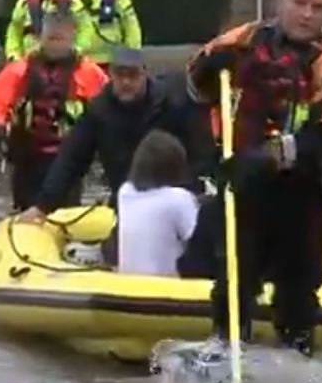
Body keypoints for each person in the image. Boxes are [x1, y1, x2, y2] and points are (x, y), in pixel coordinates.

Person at [185, 0, 322, 356]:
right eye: (300, 3)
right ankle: (226, 355)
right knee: (232, 281)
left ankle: (295, 364)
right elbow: (195, 86)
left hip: (301, 190)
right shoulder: (243, 40)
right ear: (280, 2)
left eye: (318, 7)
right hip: (243, 185)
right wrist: (206, 72)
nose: (308, 14)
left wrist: (268, 157)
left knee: (298, 291)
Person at [17, 47, 210, 263]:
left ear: (145, 74)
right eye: (120, 75)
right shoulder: (99, 111)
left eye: (133, 75)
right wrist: (43, 205)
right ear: (110, 75)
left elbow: (200, 148)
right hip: (129, 199)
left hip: (176, 193)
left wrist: (199, 187)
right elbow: (71, 159)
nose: (126, 82)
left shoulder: (171, 104)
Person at [0, 12, 108, 211]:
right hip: (28, 154)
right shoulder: (20, 70)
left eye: (60, 39)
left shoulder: (88, 73)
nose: (55, 45)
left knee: (66, 208)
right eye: (51, 38)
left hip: (69, 156)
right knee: (26, 206)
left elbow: (106, 106)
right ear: (40, 37)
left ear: (71, 38)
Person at [116, 130, 200, 276]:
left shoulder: (124, 192)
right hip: (166, 290)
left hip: (128, 287)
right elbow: (199, 243)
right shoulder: (179, 199)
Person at [4, 0, 88, 62]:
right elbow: (15, 30)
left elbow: (85, 27)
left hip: (65, 57)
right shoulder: (24, 3)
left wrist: (79, 49)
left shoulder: (72, 2)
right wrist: (13, 54)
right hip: (30, 58)